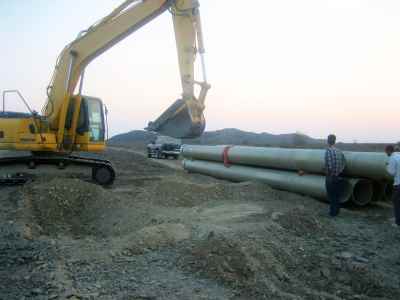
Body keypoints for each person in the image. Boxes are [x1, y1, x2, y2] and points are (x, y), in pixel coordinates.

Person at [324, 134, 346, 217]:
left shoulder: (328, 151)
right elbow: (344, 163)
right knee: (336, 195)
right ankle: (337, 211)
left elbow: (329, 165)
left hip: (331, 176)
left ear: (328, 141)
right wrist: (339, 171)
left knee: (331, 195)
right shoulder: (339, 151)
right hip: (337, 176)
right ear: (335, 141)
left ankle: (332, 213)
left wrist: (328, 173)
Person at [385, 145, 400, 227]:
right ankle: (397, 218)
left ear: (388, 151)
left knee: (396, 202)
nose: (386, 153)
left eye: (386, 152)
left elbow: (391, 173)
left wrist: (387, 166)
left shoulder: (392, 158)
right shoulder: (399, 155)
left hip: (398, 184)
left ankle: (397, 222)